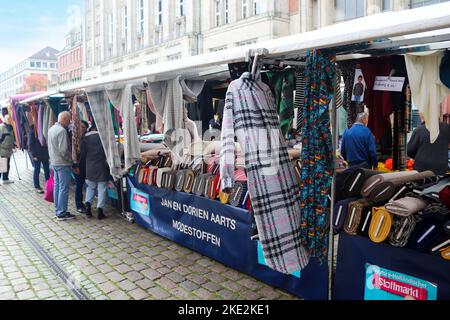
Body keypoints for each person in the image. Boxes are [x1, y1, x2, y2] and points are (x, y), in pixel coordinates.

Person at [80, 121, 111, 220]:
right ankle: (100, 210)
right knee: (102, 188)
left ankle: (88, 206)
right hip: (102, 166)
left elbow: (82, 155)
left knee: (90, 187)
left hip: (89, 166)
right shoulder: (104, 138)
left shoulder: (85, 138)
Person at [48, 111, 75, 221]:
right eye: (68, 120)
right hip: (63, 163)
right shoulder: (62, 131)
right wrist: (71, 160)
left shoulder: (51, 129)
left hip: (54, 162)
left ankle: (58, 210)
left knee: (57, 187)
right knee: (63, 188)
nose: (69, 122)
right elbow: (64, 150)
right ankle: (62, 212)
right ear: (64, 119)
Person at [27, 120, 50, 193]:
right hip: (36, 153)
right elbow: (30, 143)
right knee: (37, 170)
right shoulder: (33, 128)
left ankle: (48, 185)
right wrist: (33, 155)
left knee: (47, 170)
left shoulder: (44, 125)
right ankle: (37, 186)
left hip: (44, 152)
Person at [73, 120, 89, 213]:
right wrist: (75, 166)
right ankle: (79, 205)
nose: (81, 129)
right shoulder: (75, 138)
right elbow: (73, 153)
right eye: (80, 127)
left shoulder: (86, 138)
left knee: (82, 185)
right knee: (79, 185)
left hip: (85, 165)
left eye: (83, 127)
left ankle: (83, 203)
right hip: (77, 166)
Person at [0, 115, 16, 184]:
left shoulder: (10, 127)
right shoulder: (1, 127)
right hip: (3, 149)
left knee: (7, 164)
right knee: (2, 165)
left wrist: (13, 145)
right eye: (8, 119)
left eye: (11, 119)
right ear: (5, 119)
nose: (10, 120)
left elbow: (11, 138)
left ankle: (5, 178)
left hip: (8, 150)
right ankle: (3, 179)